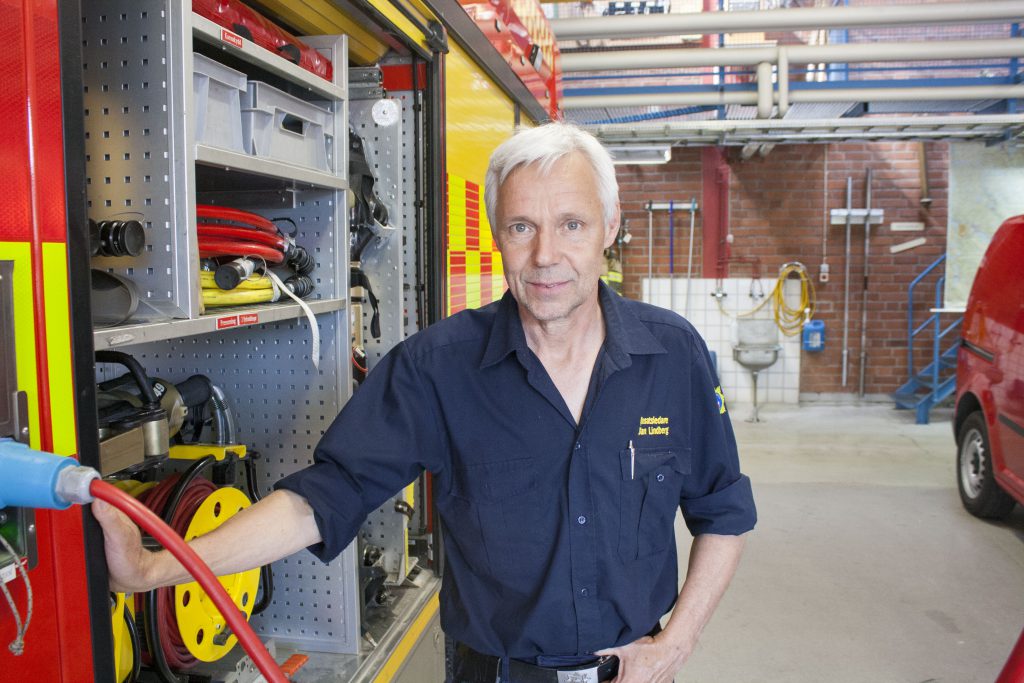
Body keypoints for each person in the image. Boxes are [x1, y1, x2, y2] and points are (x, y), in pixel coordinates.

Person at [94, 121, 756, 683]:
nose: (546, 255)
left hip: (634, 666)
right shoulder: (439, 367)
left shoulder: (673, 357)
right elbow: (318, 500)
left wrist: (676, 641)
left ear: (610, 226)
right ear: (497, 229)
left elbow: (722, 510)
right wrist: (155, 566)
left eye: (571, 224)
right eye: (522, 226)